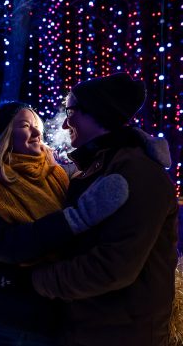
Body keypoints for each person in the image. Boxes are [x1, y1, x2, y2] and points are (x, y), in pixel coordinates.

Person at [0, 101, 129, 346]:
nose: (37, 132)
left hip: (44, 317)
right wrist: (74, 220)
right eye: (26, 126)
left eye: (37, 126)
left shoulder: (57, 173)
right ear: (3, 136)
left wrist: (136, 146)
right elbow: (6, 246)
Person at [32, 72, 178, 346]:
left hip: (120, 334)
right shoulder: (99, 166)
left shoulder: (137, 174)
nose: (64, 123)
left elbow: (112, 268)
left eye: (71, 111)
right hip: (90, 326)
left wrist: (37, 280)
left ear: (97, 113)